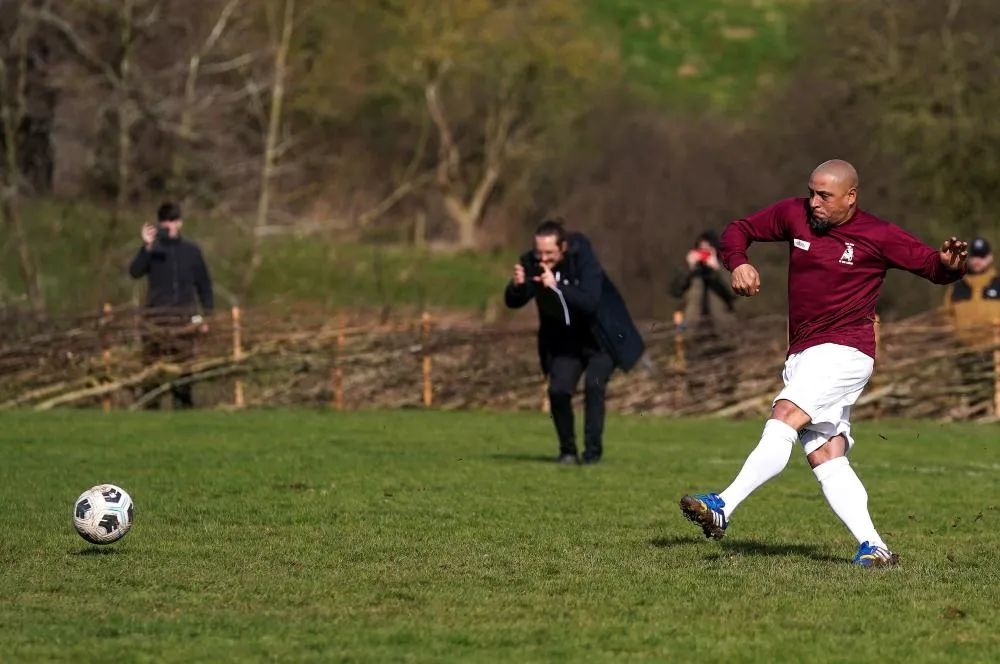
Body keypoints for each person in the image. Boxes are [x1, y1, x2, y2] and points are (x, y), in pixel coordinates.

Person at [678, 159, 968, 567]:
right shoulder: (796, 215)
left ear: (851, 197)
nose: (814, 202)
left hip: (846, 350)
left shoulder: (878, 234)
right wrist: (738, 261)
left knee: (784, 415)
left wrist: (952, 266)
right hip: (803, 353)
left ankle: (724, 504)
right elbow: (738, 229)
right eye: (812, 191)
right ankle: (875, 547)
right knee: (825, 454)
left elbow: (933, 267)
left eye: (825, 196)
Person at [504, 219, 645, 465]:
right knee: (558, 391)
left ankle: (592, 454)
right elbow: (515, 300)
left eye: (549, 253)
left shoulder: (586, 261)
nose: (543, 258)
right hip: (565, 341)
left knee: (594, 386)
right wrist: (516, 286)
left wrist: (558, 286)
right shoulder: (533, 262)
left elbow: (590, 302)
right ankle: (567, 451)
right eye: (540, 252)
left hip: (600, 339)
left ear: (564, 247)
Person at [128, 202, 214, 409]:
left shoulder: (191, 251)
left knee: (183, 367)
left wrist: (206, 315)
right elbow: (135, 272)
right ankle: (151, 406)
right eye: (165, 224)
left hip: (185, 317)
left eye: (173, 223)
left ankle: (183, 406)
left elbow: (204, 284)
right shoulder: (153, 251)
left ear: (180, 223)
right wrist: (146, 247)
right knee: (153, 367)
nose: (169, 228)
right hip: (156, 318)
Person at [669, 230, 738, 401]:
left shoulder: (725, 270)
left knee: (725, 367)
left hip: (721, 328)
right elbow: (674, 291)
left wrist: (716, 268)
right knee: (695, 368)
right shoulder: (690, 273)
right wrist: (689, 269)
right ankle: (697, 400)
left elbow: (735, 292)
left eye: (708, 249)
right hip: (694, 328)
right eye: (700, 249)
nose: (704, 253)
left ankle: (727, 399)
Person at [943, 236, 1000, 407]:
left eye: (982, 256)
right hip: (965, 350)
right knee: (967, 389)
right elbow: (947, 315)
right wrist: (955, 336)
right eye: (974, 256)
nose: (977, 261)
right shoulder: (958, 287)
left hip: (993, 350)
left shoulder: (998, 284)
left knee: (992, 388)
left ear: (990, 258)